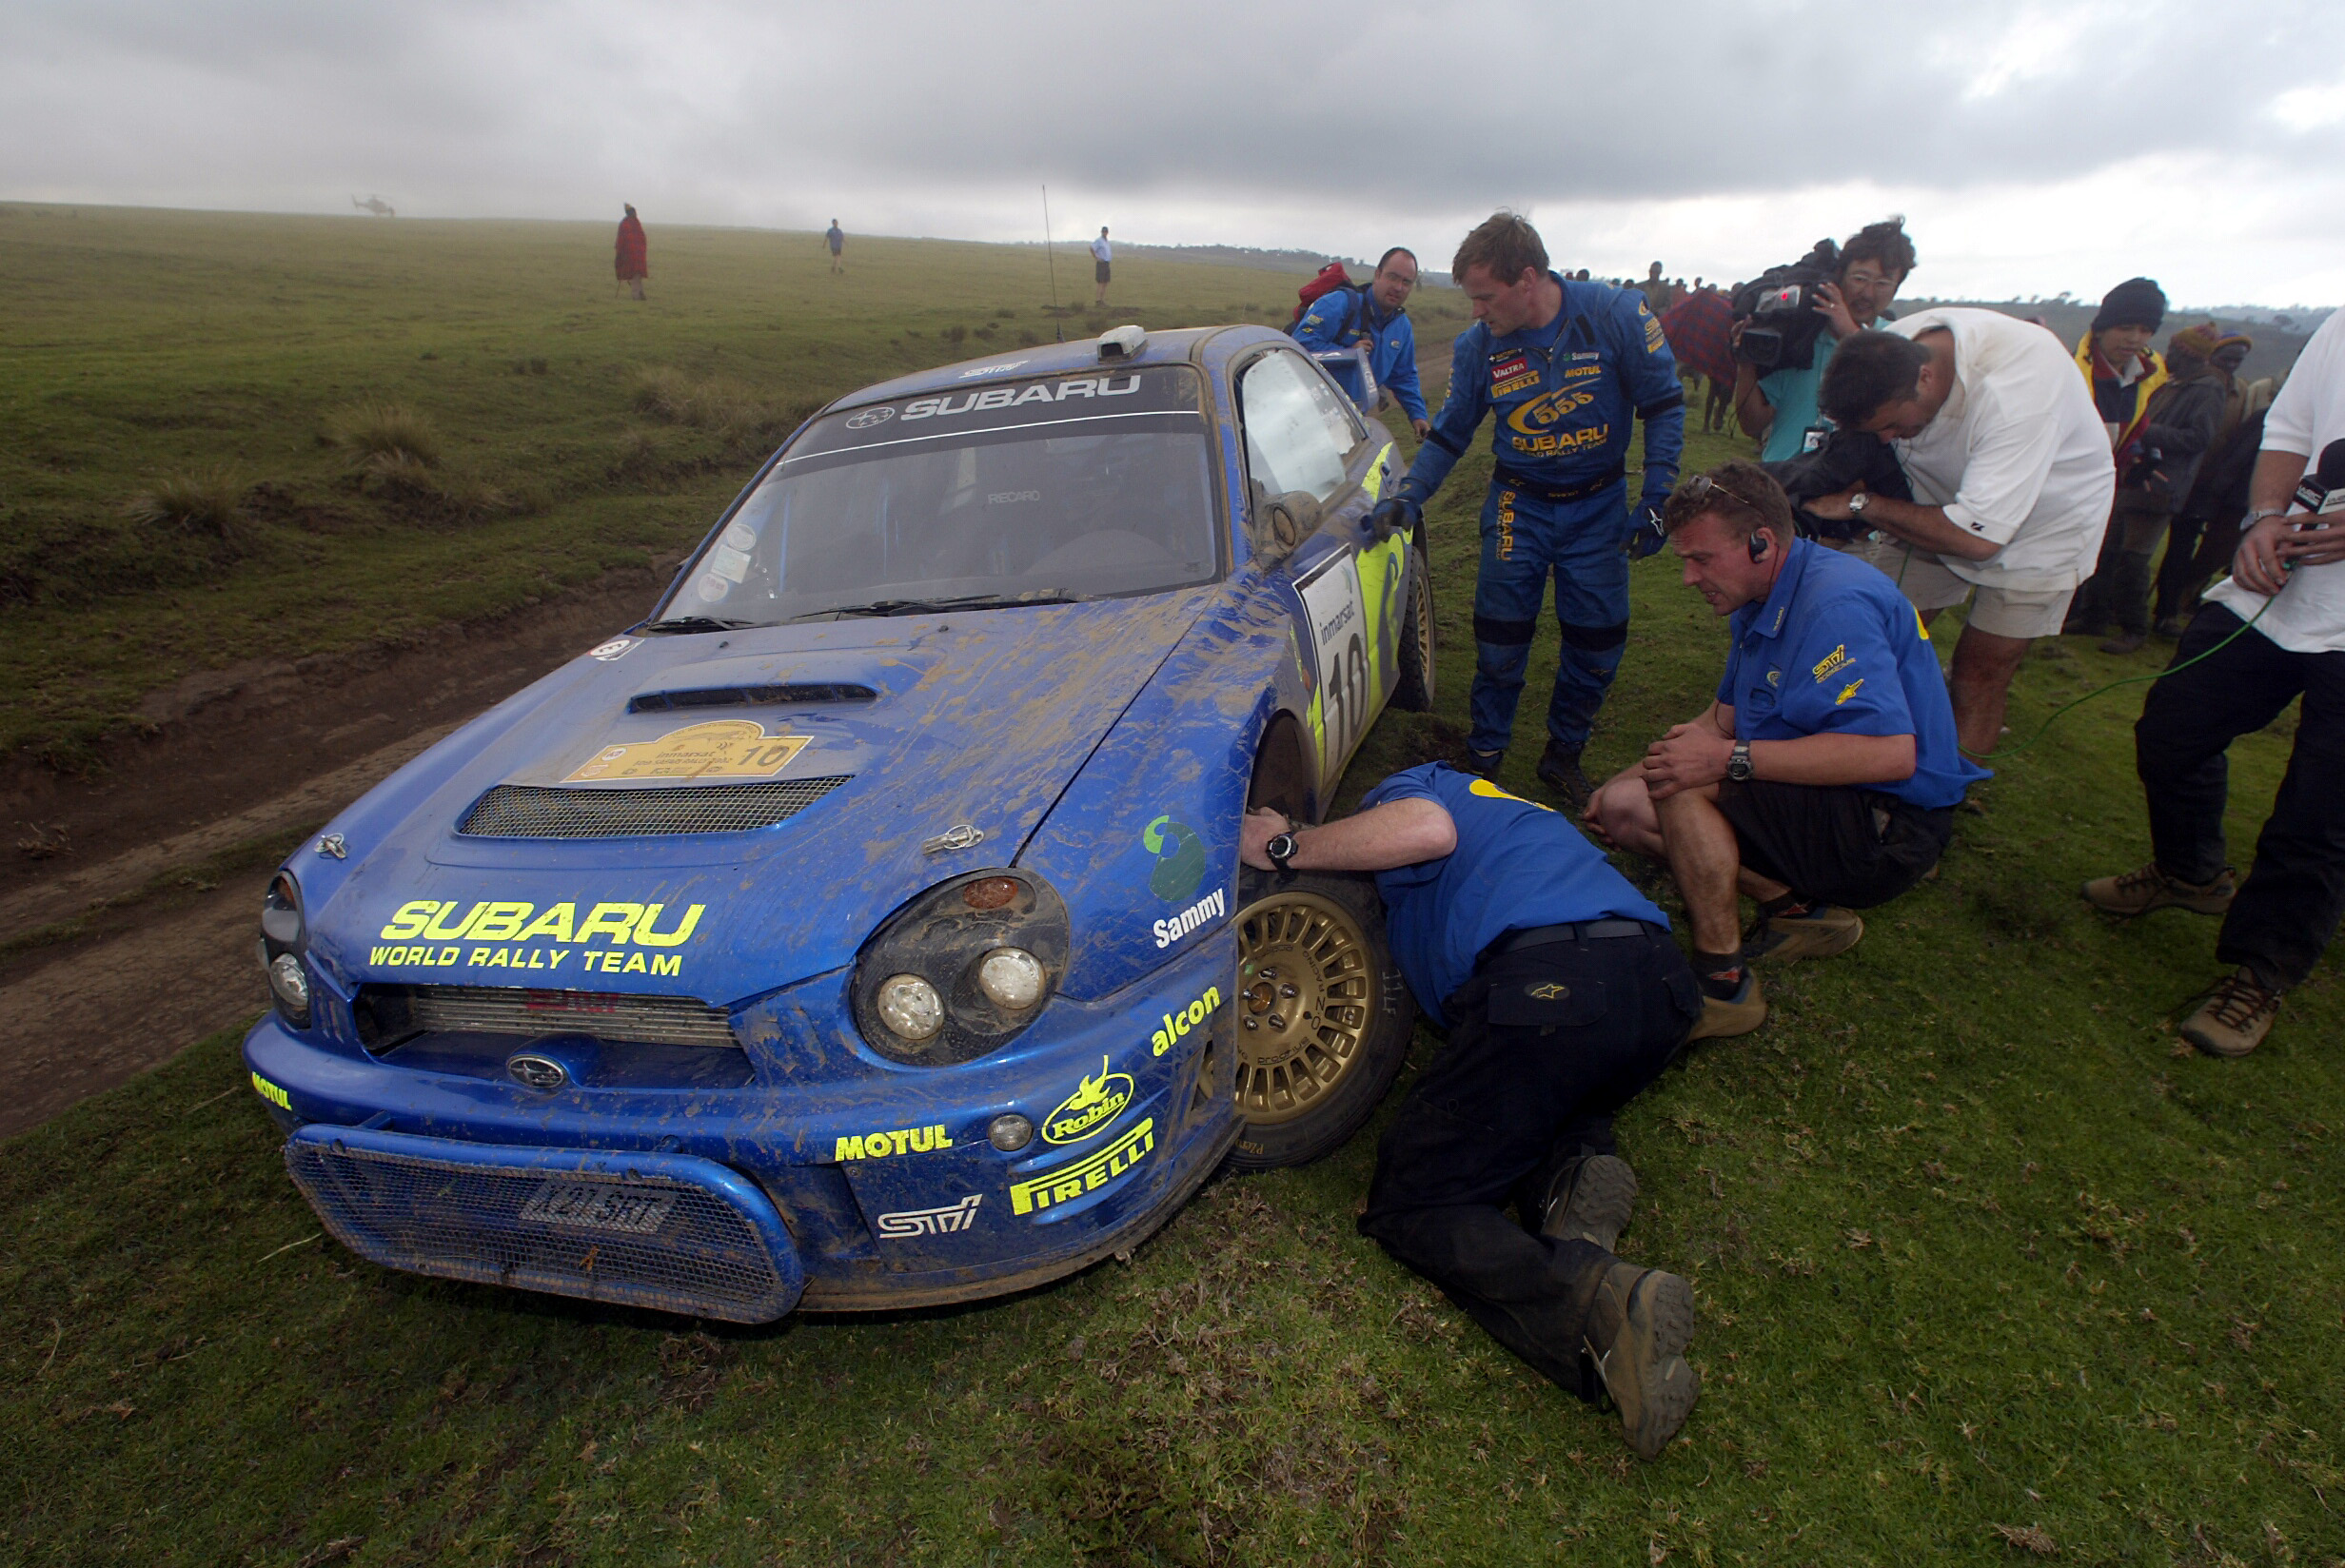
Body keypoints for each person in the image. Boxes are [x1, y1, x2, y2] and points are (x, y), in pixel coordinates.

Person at [1238, 766, 1703, 1459]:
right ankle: (1572, 1167)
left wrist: (1285, 846)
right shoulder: (1515, 816)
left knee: (1414, 1201)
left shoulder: (1415, 786)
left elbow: (1425, 830)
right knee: (1530, 1079)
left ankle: (1598, 1306)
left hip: (1554, 983)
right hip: (1660, 990)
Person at [1588, 461, 1984, 1035]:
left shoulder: (1833, 606)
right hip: (1842, 801)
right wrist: (1622, 781)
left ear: (1761, 543)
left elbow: (1890, 755)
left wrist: (1727, 761)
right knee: (1627, 807)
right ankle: (1799, 912)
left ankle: (1725, 987)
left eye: (1702, 559)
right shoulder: (1765, 593)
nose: (1689, 579)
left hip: (1888, 827)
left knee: (1683, 786)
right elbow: (1720, 721)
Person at [2082, 304, 2345, 1058]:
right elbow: (2291, 431)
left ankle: (2263, 970)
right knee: (2175, 724)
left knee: (2321, 810)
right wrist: (2263, 516)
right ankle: (2191, 873)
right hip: (2282, 582)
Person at [1368, 212, 1686, 806]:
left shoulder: (1615, 315)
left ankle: (1564, 754)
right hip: (1519, 503)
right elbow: (1450, 434)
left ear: (1528, 279)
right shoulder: (1479, 346)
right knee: (1500, 639)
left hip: (1599, 506)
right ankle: (1485, 756)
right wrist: (1410, 495)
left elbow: (1665, 403)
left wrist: (1658, 496)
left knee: (1597, 643)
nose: (1476, 311)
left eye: (1485, 297)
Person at [1809, 309, 2118, 755]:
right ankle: (1857, 758)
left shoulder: (2018, 394)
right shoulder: (1887, 352)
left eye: (1894, 426)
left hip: (2044, 529)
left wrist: (1865, 505)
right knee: (1872, 636)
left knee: (1978, 674)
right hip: (1933, 507)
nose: (1888, 439)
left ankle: (1945, 788)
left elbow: (1978, 539)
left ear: (1925, 378)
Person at [2070, 322, 2229, 652]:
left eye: (2176, 351)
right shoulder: (2167, 381)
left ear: (2192, 356)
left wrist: (2142, 431)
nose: (2168, 355)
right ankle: (2094, 616)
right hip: (2134, 476)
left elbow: (2199, 438)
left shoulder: (2207, 389)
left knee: (2134, 560)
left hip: (2161, 485)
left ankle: (2134, 628)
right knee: (2106, 551)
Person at [1731, 219, 1916, 463]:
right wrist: (1746, 363)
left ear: (1897, 288)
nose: (1868, 293)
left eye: (1882, 283)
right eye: (1860, 279)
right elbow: (1752, 424)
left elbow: (1903, 412)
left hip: (1849, 484)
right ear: (1839, 277)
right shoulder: (1801, 335)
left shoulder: (1900, 341)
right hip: (1782, 478)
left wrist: (1851, 335)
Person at [2152, 330, 2260, 634]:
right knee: (2141, 544)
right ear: (2211, 355)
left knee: (2181, 548)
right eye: (2226, 358)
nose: (2231, 365)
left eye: (2238, 361)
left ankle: (2167, 611)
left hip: (2204, 483)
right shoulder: (2190, 384)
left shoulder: (2242, 392)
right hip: (2174, 474)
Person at [1291, 247, 1431, 436]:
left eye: (1406, 282)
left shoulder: (1402, 327)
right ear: (1377, 275)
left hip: (1351, 420)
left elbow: (1404, 375)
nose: (1398, 287)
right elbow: (1298, 344)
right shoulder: (1340, 303)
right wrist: (1348, 354)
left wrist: (1417, 415)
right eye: (1393, 277)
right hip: (1308, 413)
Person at [614, 204, 648, 302]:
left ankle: (637, 296)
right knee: (636, 275)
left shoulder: (625, 224)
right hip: (637, 255)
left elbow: (620, 241)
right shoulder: (634, 223)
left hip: (630, 255)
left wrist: (619, 252)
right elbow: (642, 239)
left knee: (634, 275)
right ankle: (639, 295)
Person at [1092, 226, 1113, 306]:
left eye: (1106, 232)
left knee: (1105, 282)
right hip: (1101, 263)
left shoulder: (1107, 242)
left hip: (1107, 263)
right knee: (1100, 282)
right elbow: (1092, 248)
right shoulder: (1099, 241)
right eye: (1103, 232)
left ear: (1107, 232)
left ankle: (1101, 300)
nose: (1105, 233)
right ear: (1101, 232)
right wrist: (1096, 257)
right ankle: (1097, 300)